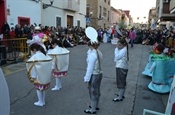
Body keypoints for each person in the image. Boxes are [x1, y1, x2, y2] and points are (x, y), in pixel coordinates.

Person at [84, 27, 103, 114]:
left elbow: (90, 68)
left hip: (94, 74)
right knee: (97, 90)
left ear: (90, 45)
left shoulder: (92, 55)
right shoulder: (98, 52)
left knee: (92, 91)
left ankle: (92, 109)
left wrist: (86, 78)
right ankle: (96, 105)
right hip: (99, 73)